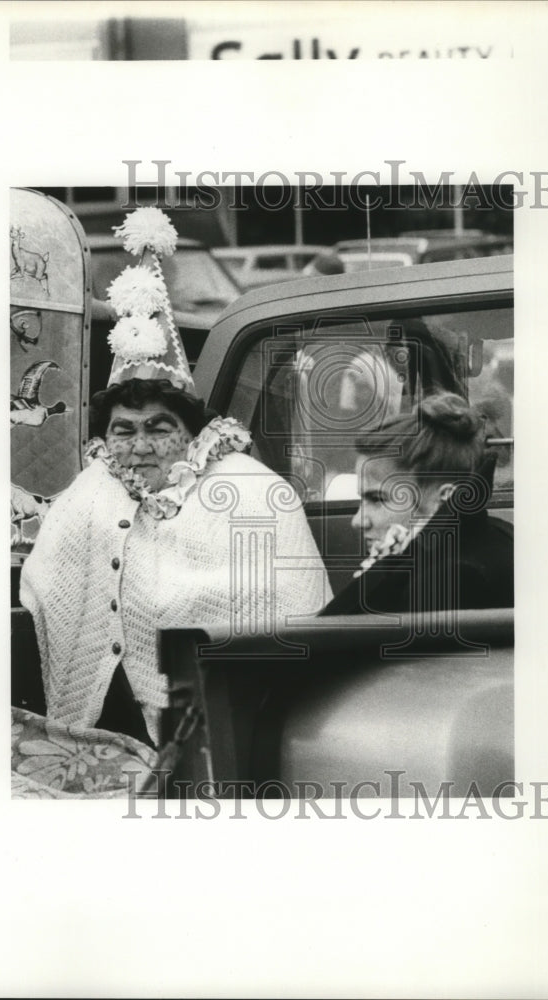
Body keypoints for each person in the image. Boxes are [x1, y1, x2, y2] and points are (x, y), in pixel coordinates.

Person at [17, 208, 330, 785]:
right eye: (123, 430)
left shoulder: (249, 489)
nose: (139, 447)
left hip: (214, 714)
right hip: (104, 709)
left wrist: (168, 606)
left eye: (158, 428)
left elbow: (287, 603)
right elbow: (44, 579)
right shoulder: (94, 485)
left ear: (190, 430)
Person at [322, 392, 513, 616]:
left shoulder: (446, 580)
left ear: (443, 499)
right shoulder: (497, 537)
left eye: (377, 499)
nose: (358, 521)